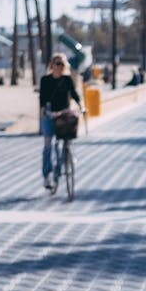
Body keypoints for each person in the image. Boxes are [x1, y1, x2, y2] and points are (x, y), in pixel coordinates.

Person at [39, 53, 83, 189]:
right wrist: (42, 109)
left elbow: (74, 94)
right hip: (49, 113)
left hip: (63, 113)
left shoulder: (67, 80)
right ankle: (47, 175)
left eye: (62, 64)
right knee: (48, 144)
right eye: (57, 63)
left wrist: (81, 106)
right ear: (52, 65)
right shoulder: (45, 80)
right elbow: (42, 97)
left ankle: (61, 167)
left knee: (62, 142)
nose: (59, 66)